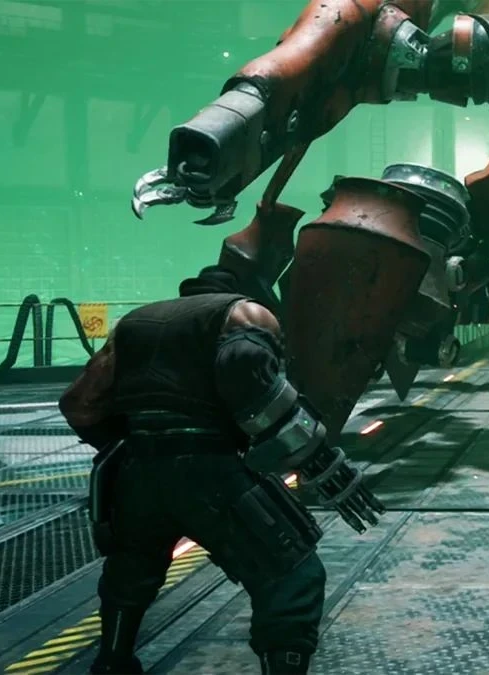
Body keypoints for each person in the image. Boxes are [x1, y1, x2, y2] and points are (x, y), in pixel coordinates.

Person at [58, 265, 385, 675]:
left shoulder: (134, 326)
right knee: (293, 576)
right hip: (210, 472)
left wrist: (132, 445)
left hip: (137, 475)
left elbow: (78, 404)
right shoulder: (243, 313)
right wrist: (311, 455)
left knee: (130, 573)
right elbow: (244, 366)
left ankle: (112, 663)